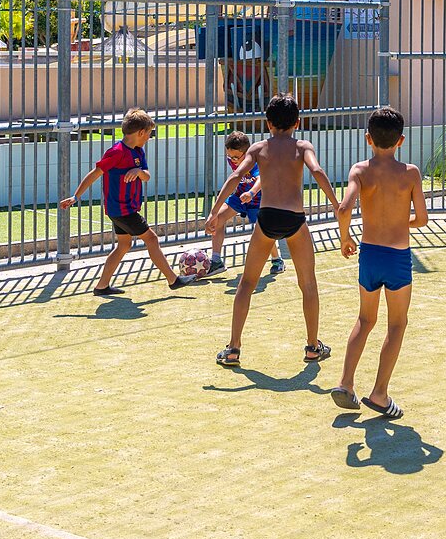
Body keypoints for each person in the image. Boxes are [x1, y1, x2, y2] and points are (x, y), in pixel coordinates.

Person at [206, 94, 341, 366]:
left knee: (246, 284)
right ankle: (313, 347)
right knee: (308, 284)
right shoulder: (303, 146)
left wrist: (213, 212)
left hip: (266, 218)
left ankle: (233, 349)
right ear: (298, 122)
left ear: (268, 123)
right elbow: (317, 171)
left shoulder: (258, 148)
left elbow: (234, 177)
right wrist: (337, 206)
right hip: (294, 219)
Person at [329, 107, 429, 420]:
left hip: (369, 255)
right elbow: (423, 219)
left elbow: (344, 208)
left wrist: (345, 238)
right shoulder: (410, 173)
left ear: (368, 138)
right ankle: (379, 394)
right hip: (397, 257)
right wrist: (402, 222)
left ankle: (345, 383)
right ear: (401, 140)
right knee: (397, 324)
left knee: (364, 319)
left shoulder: (359, 170)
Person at [60, 108, 194, 294]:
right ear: (140, 132)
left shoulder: (138, 151)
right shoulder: (116, 152)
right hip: (121, 209)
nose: (149, 137)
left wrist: (138, 172)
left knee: (124, 245)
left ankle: (102, 286)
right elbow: (95, 173)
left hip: (125, 209)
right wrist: (76, 195)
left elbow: (146, 176)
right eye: (148, 133)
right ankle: (173, 280)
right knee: (152, 239)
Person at [204, 131, 286, 277]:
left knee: (264, 231)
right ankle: (216, 261)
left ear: (246, 152)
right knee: (218, 220)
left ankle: (277, 259)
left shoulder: (256, 160)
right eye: (229, 156)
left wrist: (252, 192)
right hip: (239, 196)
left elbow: (262, 178)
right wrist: (214, 212)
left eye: (236, 157)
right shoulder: (232, 159)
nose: (232, 160)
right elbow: (235, 178)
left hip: (258, 199)